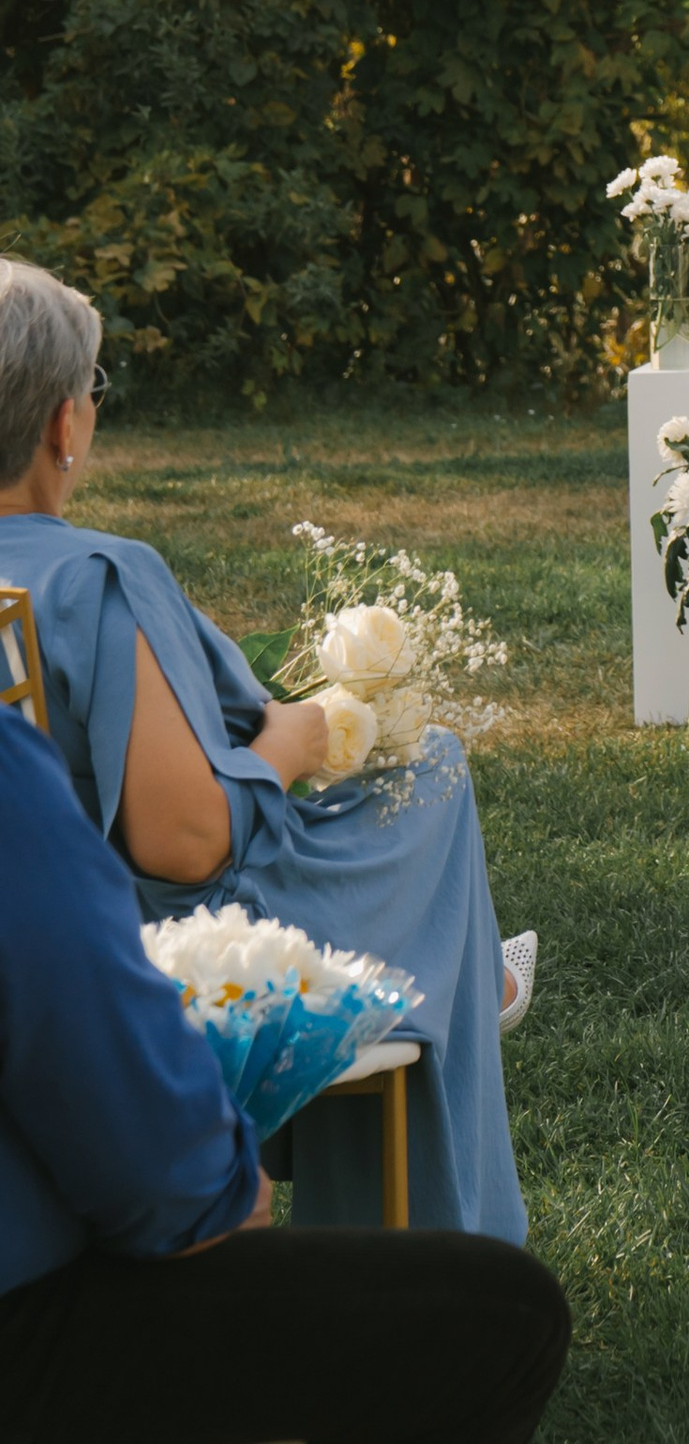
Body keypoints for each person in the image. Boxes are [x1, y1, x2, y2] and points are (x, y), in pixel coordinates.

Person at [0, 258, 527, 1239]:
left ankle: (472, 969)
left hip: (39, 919)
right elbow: (183, 842)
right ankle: (467, 997)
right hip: (165, 931)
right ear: (63, 424)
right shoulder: (100, 575)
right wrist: (293, 738)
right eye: (92, 391)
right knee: (433, 768)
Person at [0, 689, 569, 1438]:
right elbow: (146, 1150)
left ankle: (468, 978)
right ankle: (466, 983)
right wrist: (220, 1180)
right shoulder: (10, 769)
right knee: (513, 1317)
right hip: (33, 1318)